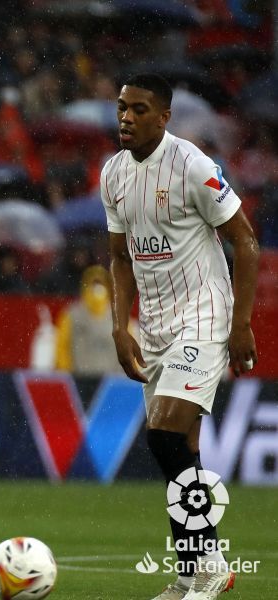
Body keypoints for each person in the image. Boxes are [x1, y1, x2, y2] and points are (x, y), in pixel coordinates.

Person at [102, 74, 259, 600]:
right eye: (122, 107)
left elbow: (246, 241)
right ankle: (191, 574)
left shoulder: (192, 165)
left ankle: (212, 563)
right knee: (182, 452)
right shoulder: (113, 173)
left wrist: (240, 323)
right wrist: (120, 326)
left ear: (164, 117)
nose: (126, 117)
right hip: (154, 326)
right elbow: (120, 257)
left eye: (139, 109)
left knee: (164, 435)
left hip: (203, 314)